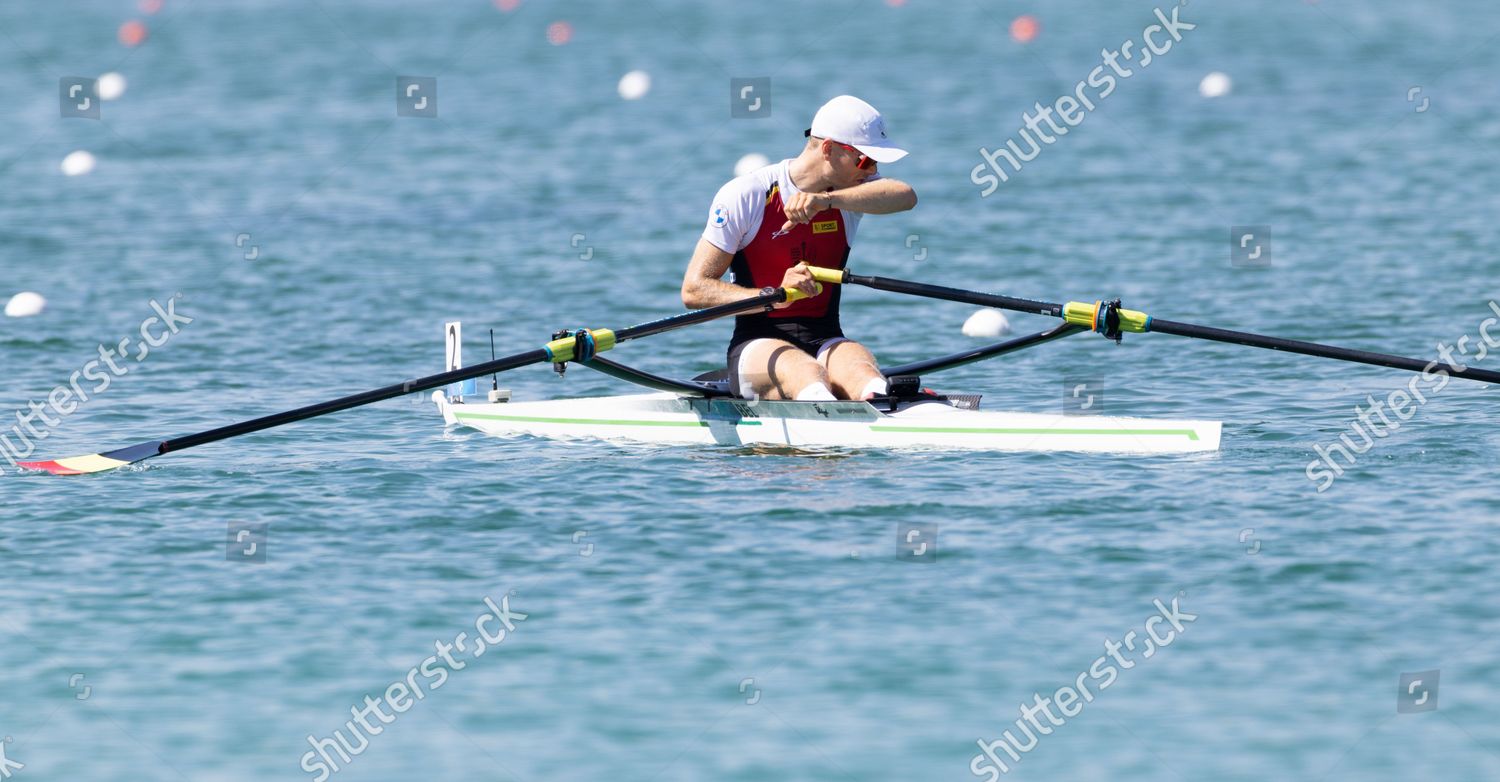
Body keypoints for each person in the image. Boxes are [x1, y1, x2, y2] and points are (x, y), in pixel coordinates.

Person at [681, 95, 918, 401]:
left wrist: (826, 201)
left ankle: (880, 404)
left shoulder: (850, 194)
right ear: (829, 149)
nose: (871, 169)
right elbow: (694, 290)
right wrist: (772, 295)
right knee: (808, 377)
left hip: (827, 339)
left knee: (868, 378)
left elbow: (906, 196)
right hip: (757, 345)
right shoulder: (748, 194)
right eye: (865, 159)